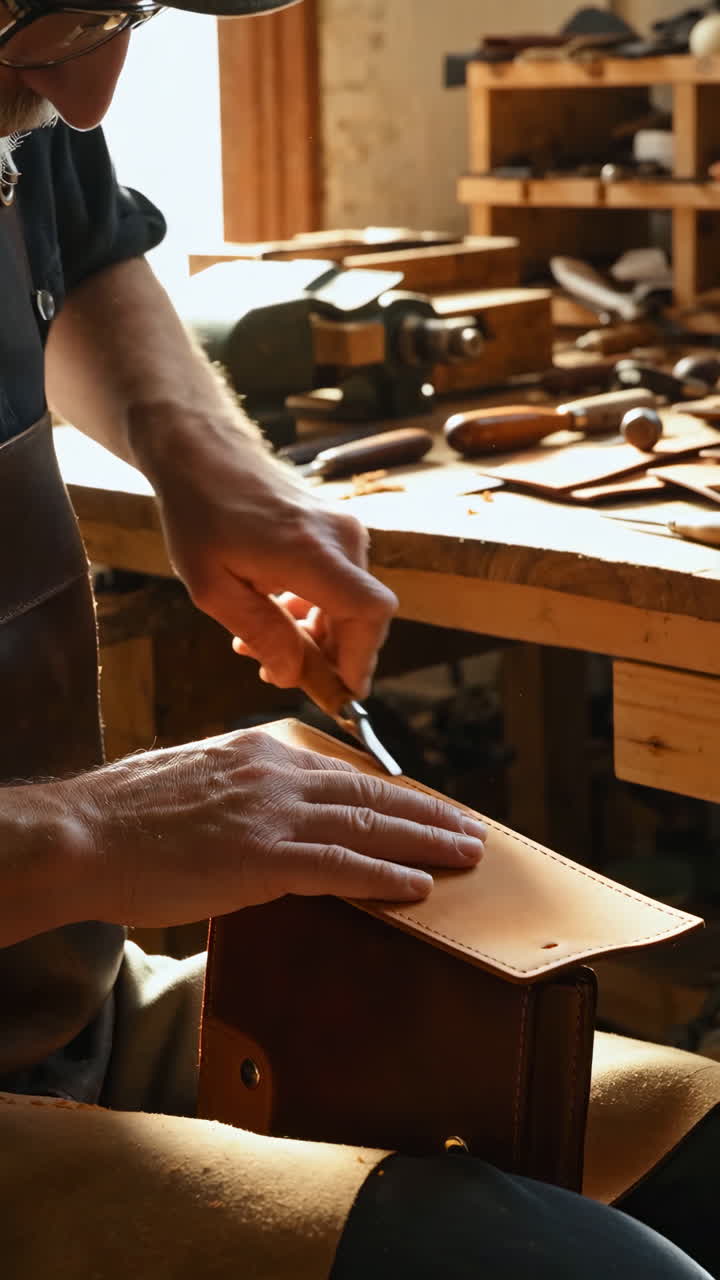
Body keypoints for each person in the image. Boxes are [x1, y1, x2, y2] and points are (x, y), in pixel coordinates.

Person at [0, 0, 713, 1275]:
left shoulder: (28, 86)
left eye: (126, 9)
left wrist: (205, 458)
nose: (94, 89)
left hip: (64, 1004)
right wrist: (84, 837)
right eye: (42, 17)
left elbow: (82, 234)